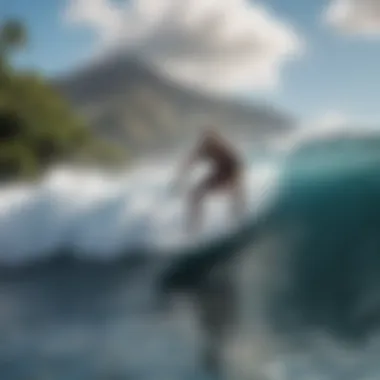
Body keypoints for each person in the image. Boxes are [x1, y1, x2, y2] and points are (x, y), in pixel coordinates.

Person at [179, 127, 246, 234]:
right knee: (195, 194)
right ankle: (193, 228)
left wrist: (235, 182)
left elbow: (236, 164)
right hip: (219, 172)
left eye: (212, 141)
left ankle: (240, 220)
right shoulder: (203, 148)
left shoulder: (223, 149)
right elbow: (190, 161)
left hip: (230, 171)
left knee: (236, 195)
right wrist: (180, 176)